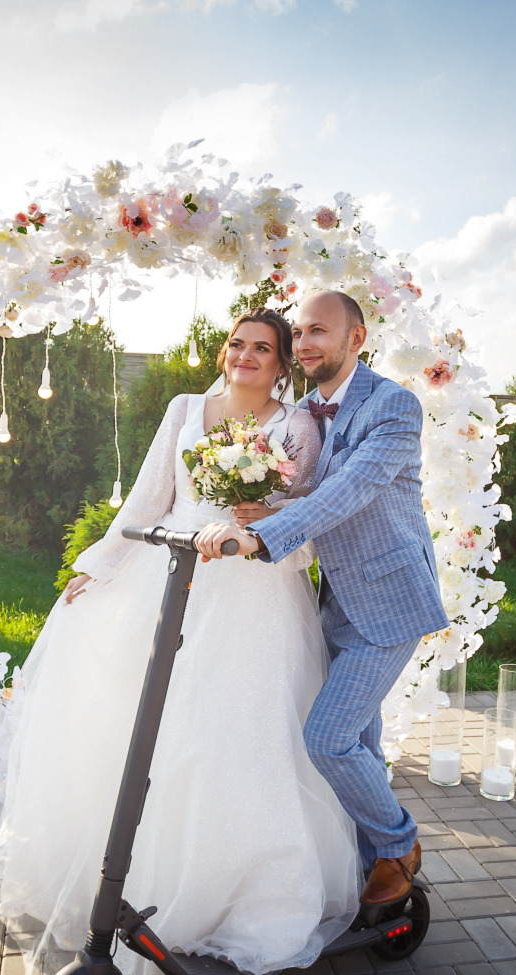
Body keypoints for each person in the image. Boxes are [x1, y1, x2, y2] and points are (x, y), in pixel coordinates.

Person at [0, 308, 360, 975]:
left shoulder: (299, 428)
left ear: (281, 365)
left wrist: (253, 515)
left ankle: (230, 891)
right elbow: (149, 499)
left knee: (228, 737)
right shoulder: (185, 409)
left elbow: (303, 538)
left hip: (251, 600)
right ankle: (125, 882)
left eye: (263, 349)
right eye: (237, 344)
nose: (245, 356)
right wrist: (99, 566)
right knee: (140, 728)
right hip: (168, 575)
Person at [196, 289, 448, 915]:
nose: (306, 343)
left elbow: (350, 491)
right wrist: (261, 507)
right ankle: (371, 873)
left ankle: (399, 845)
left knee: (329, 740)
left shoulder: (394, 406)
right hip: (329, 603)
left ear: (355, 339)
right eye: (301, 333)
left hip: (389, 603)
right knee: (362, 742)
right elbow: (304, 492)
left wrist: (264, 534)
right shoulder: (303, 413)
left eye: (320, 332)